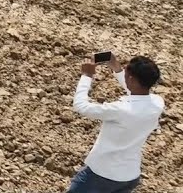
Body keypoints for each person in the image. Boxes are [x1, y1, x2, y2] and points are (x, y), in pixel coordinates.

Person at [68, 54, 164, 193]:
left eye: (126, 72)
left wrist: (87, 75)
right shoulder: (157, 103)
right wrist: (117, 69)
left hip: (101, 175)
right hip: (129, 177)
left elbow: (81, 106)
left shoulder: (120, 110)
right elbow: (137, 93)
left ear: (131, 78)